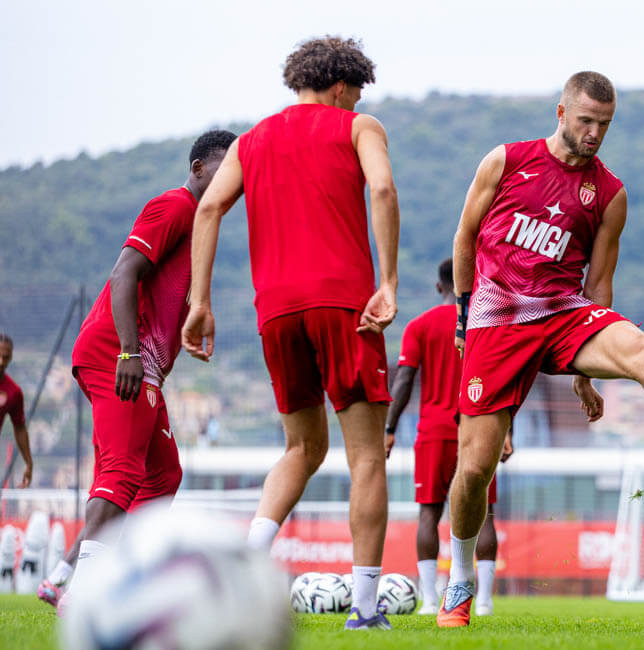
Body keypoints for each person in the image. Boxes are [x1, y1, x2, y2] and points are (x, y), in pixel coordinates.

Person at [440, 71, 644, 627]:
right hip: (497, 319)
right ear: (561, 113)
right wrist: (461, 314)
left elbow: (598, 284)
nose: (595, 133)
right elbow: (465, 237)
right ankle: (460, 578)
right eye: (586, 121)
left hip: (564, 313)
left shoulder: (609, 193)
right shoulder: (505, 161)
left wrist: (586, 374)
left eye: (605, 124)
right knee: (474, 469)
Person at [180, 37, 400, 631]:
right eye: (355, 95)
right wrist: (388, 281)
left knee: (302, 448)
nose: (356, 105)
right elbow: (382, 189)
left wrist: (199, 303)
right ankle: (364, 608)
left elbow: (207, 209)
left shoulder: (250, 141)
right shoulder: (359, 128)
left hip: (276, 311)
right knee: (365, 455)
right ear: (341, 88)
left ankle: (243, 565)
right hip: (344, 303)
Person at [36, 130, 236, 610]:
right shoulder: (174, 207)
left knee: (163, 475)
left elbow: (166, 295)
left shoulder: (202, 223)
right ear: (197, 170)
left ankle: (101, 575)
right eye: (225, 169)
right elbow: (124, 272)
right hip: (118, 355)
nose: (234, 182)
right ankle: (85, 594)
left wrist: (192, 325)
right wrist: (128, 352)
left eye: (239, 175)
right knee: (123, 470)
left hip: (143, 366)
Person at [385, 258, 513, 616]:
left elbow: (404, 380)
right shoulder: (485, 324)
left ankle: (428, 601)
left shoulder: (419, 326)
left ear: (439, 287)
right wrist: (507, 431)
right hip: (480, 428)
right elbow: (503, 380)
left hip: (433, 433)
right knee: (484, 513)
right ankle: (484, 601)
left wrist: (389, 429)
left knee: (429, 513)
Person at [0, 334, 32, 490]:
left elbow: (19, 428)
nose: (1, 362)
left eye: (5, 357)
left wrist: (28, 463)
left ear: (11, 357)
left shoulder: (13, 392)